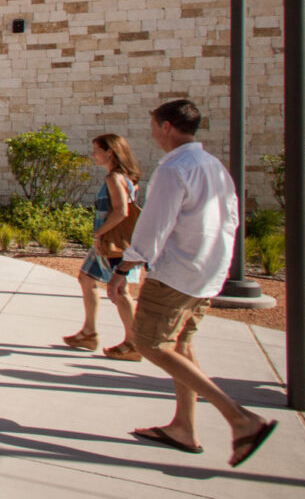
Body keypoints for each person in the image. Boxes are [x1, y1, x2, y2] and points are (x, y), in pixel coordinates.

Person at [115, 99, 276, 466]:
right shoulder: (213, 166)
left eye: (154, 127)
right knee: (181, 347)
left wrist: (123, 270)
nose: (153, 134)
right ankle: (184, 427)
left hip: (176, 274)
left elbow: (154, 227)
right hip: (205, 275)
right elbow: (230, 219)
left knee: (149, 343)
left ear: (167, 127)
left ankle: (240, 418)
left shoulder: (174, 170)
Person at [62, 134, 141, 359]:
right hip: (106, 242)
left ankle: (133, 343)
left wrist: (98, 234)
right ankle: (88, 333)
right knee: (86, 278)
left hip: (111, 242)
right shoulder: (124, 178)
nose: (93, 154)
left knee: (120, 290)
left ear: (110, 152)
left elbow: (121, 212)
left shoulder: (114, 178)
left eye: (96, 150)